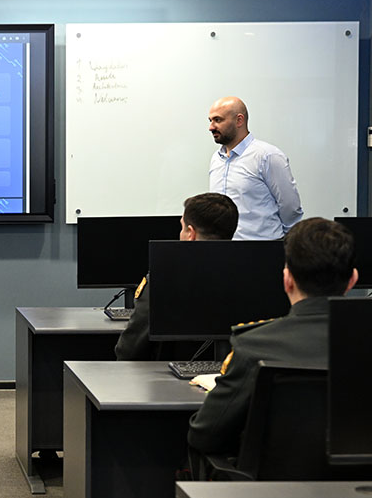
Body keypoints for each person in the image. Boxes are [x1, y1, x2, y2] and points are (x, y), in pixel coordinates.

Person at [186, 217, 357, 467]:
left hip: (271, 489)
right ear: (353, 280)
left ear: (287, 280)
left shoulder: (253, 346)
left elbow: (204, 436)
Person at [115, 192, 239, 361]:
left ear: (190, 233)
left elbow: (131, 349)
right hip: (234, 372)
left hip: (168, 375)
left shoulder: (162, 280)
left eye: (182, 227)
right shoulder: (253, 278)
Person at [207, 96, 303, 240]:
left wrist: (281, 243)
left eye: (217, 120)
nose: (211, 127)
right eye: (210, 121)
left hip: (262, 248)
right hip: (223, 247)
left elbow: (290, 208)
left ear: (239, 120)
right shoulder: (216, 159)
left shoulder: (267, 156)